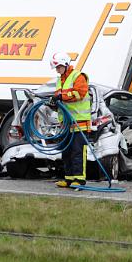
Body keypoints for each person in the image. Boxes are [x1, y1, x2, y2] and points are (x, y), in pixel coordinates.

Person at [49, 51, 91, 188]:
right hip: (66, 124)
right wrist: (54, 103)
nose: (57, 70)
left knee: (78, 152)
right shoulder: (59, 80)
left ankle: (79, 180)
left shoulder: (78, 76)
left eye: (58, 67)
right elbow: (60, 99)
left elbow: (79, 93)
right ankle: (68, 178)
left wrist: (61, 96)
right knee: (66, 152)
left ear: (65, 64)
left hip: (80, 122)